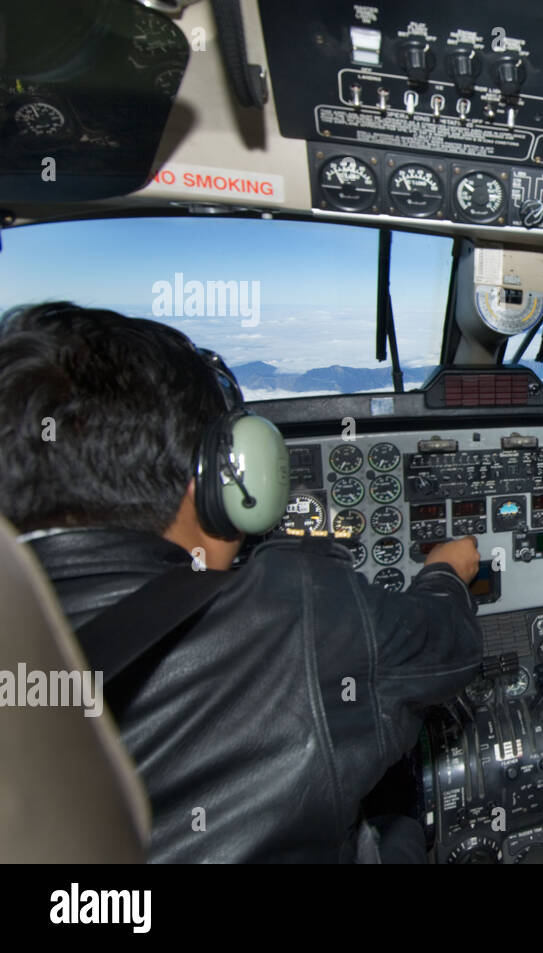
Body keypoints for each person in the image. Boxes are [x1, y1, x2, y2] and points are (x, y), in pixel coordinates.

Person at [0, 302, 483, 862]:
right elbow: (450, 646)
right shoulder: (295, 609)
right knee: (401, 822)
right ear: (219, 482)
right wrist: (446, 571)